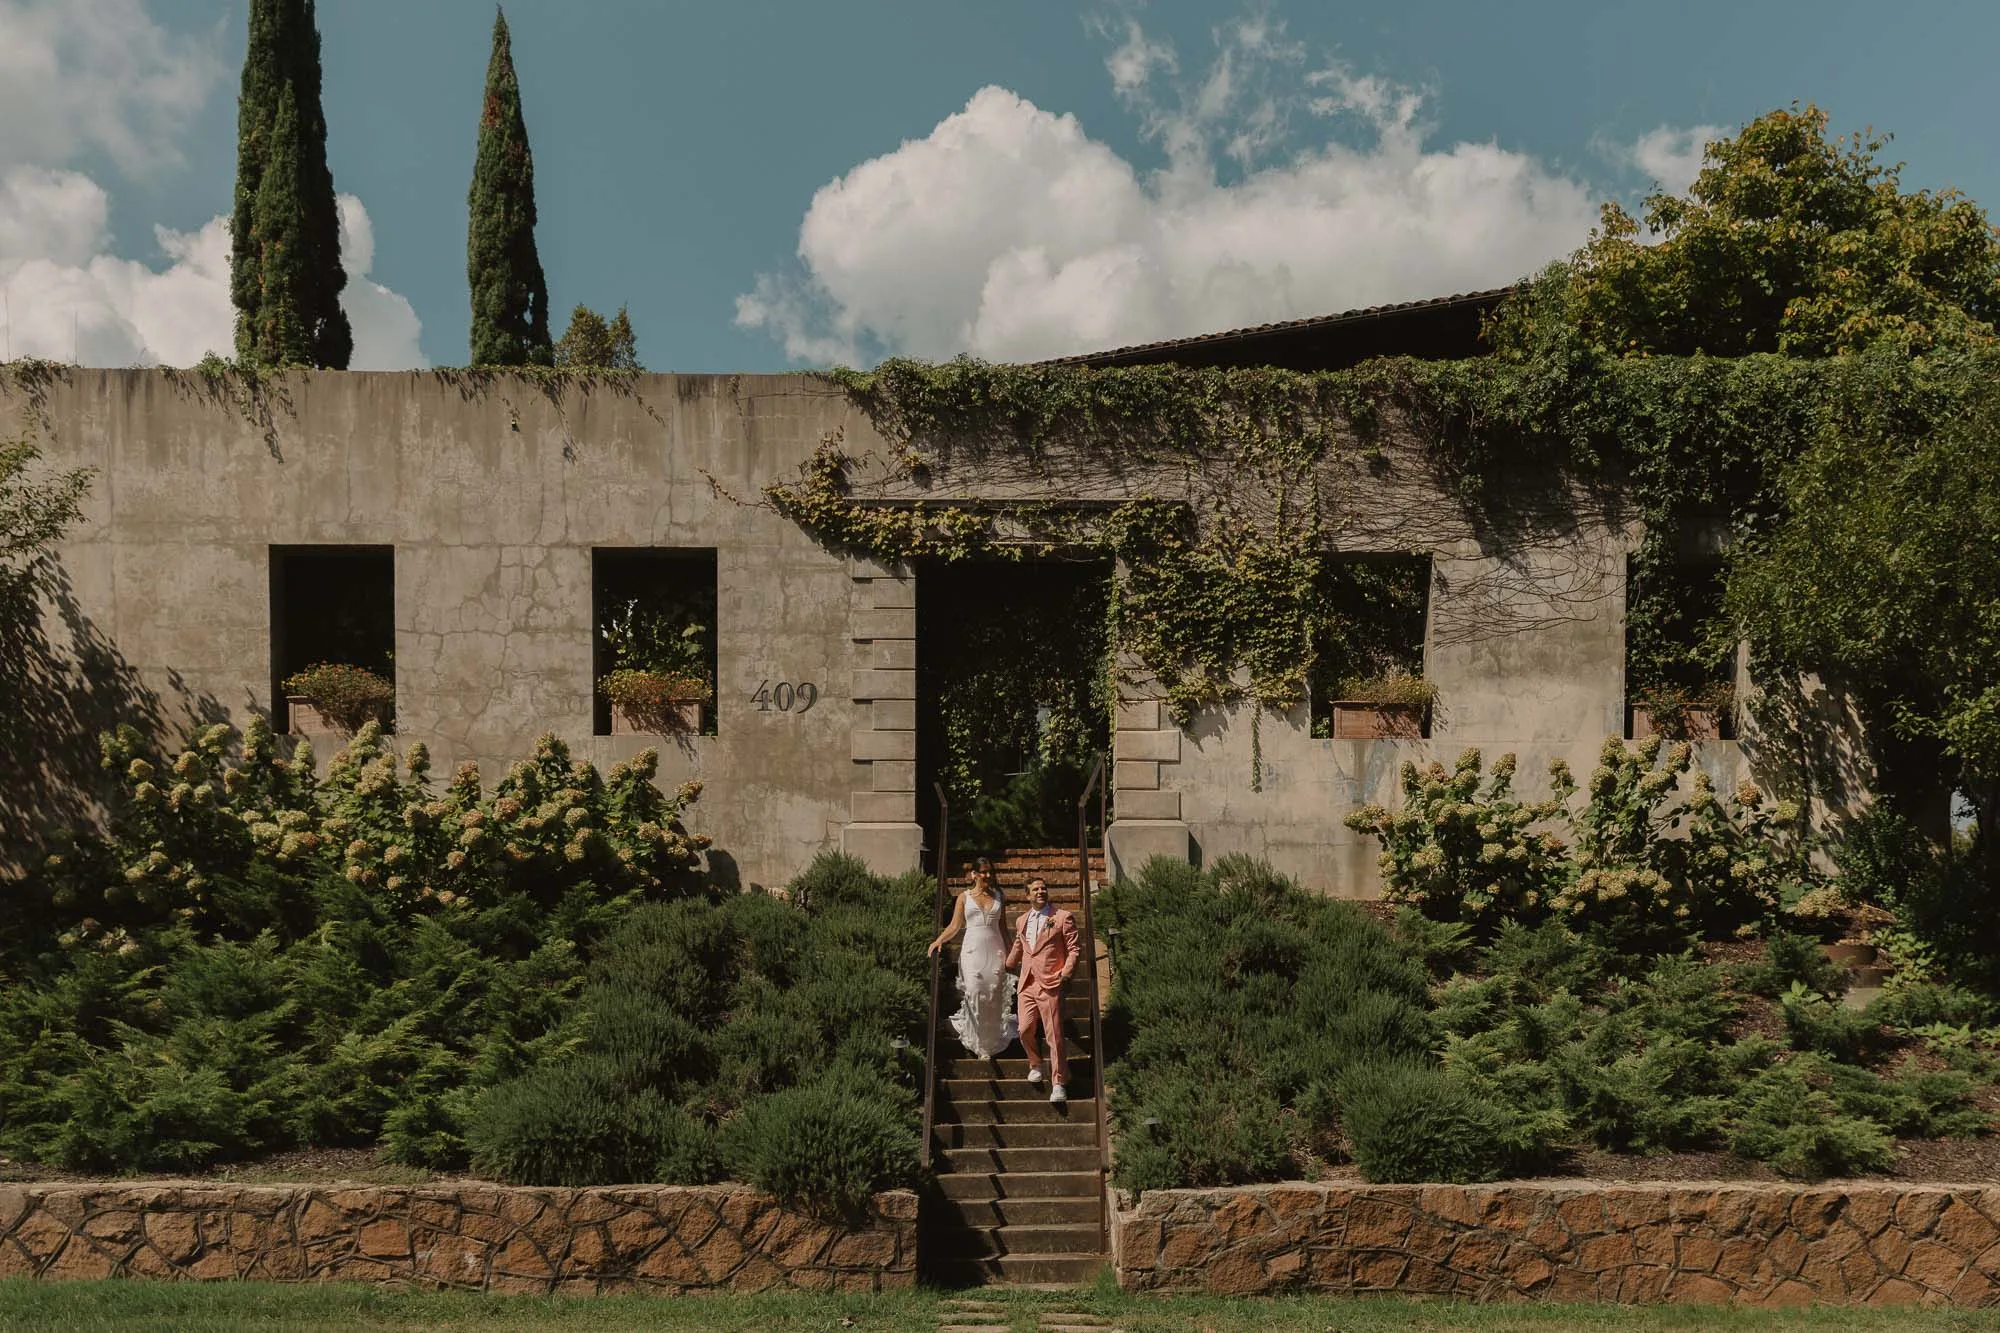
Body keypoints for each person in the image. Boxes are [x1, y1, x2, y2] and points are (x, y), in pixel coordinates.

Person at [927, 857, 1017, 1060]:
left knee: (993, 994)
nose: (987, 876)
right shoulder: (964, 897)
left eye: (990, 872)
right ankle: (976, 1040)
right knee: (975, 991)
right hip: (972, 951)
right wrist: (938, 941)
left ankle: (990, 1041)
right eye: (983, 872)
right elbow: (954, 925)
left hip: (995, 950)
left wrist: (1012, 951)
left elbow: (1003, 929)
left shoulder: (999, 896)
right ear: (974, 874)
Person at [1004, 876, 1080, 1105]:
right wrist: (1006, 966)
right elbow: (1020, 946)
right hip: (1026, 982)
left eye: (1044, 888)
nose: (1041, 891)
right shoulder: (1021, 921)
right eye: (1035, 889)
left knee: (1054, 1035)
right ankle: (1035, 1063)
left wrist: (1066, 973)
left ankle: (1058, 1082)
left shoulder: (1062, 917)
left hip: (1050, 981)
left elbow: (1074, 949)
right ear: (1027, 895)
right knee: (1025, 1028)